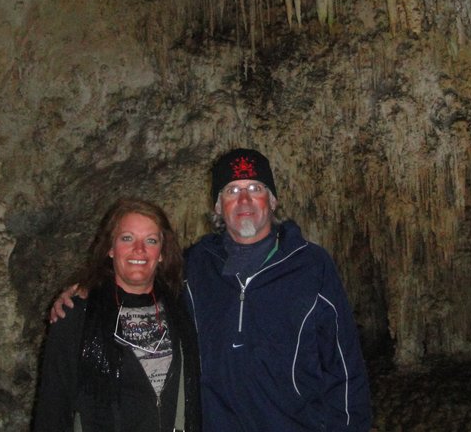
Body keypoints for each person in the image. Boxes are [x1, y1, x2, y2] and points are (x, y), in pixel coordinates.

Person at [52, 149, 372, 431]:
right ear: (218, 207)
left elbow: (344, 364)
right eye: (232, 190)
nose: (244, 200)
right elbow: (138, 278)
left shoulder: (311, 266)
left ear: (272, 200)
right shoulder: (194, 267)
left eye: (255, 188)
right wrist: (91, 289)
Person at [34, 197, 201, 432]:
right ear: (110, 249)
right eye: (127, 238)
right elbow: (53, 407)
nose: (139, 250)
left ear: (162, 252)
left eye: (150, 240)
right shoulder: (78, 314)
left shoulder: (179, 308)